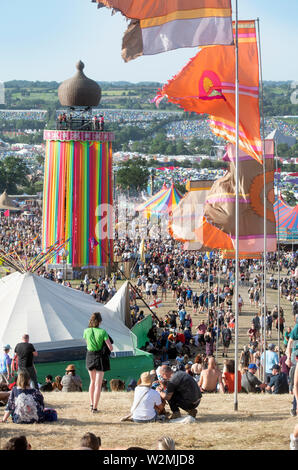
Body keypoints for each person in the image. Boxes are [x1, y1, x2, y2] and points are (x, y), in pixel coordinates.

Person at [83, 312, 113, 413]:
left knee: (92, 381)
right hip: (100, 358)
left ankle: (91, 405)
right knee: (98, 384)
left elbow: (87, 344)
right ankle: (95, 408)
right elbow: (110, 347)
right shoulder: (103, 332)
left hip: (89, 356)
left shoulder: (86, 331)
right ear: (100, 321)